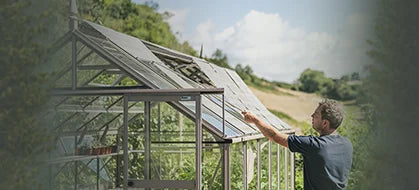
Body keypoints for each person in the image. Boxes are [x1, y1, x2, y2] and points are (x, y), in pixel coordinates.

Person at [242, 99, 353, 190]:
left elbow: (275, 136)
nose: (312, 116)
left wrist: (254, 120)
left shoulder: (315, 146)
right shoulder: (347, 144)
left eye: (316, 115)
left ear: (325, 123)